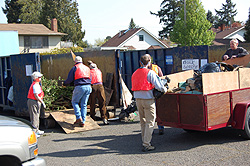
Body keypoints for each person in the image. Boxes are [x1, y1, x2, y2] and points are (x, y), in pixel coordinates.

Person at [131, 54, 168, 152]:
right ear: (149, 62)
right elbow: (159, 86)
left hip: (138, 100)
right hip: (148, 99)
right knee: (150, 122)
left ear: (140, 62)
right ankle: (146, 144)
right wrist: (165, 89)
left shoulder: (134, 73)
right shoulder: (150, 73)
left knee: (143, 122)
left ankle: (144, 141)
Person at [64, 56, 92, 127]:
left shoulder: (75, 68)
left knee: (75, 102)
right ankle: (83, 120)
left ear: (75, 61)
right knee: (84, 104)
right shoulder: (87, 68)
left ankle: (78, 117)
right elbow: (90, 77)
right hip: (88, 87)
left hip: (80, 87)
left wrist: (64, 84)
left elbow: (69, 79)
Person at [147, 56, 165, 135]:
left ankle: (160, 128)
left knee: (158, 111)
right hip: (150, 93)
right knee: (151, 113)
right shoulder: (145, 70)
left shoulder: (156, 68)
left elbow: (161, 78)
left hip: (156, 93)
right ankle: (151, 129)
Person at [88, 61, 109, 125]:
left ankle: (92, 118)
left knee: (92, 103)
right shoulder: (99, 71)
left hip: (93, 86)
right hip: (100, 86)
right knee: (102, 102)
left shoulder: (89, 72)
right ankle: (104, 118)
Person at [27, 71, 46, 137]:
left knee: (36, 115)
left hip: (35, 101)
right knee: (34, 116)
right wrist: (42, 102)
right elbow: (36, 95)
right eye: (39, 77)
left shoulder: (36, 84)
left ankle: (37, 130)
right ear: (36, 78)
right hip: (34, 101)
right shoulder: (35, 85)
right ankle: (35, 131)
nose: (40, 78)